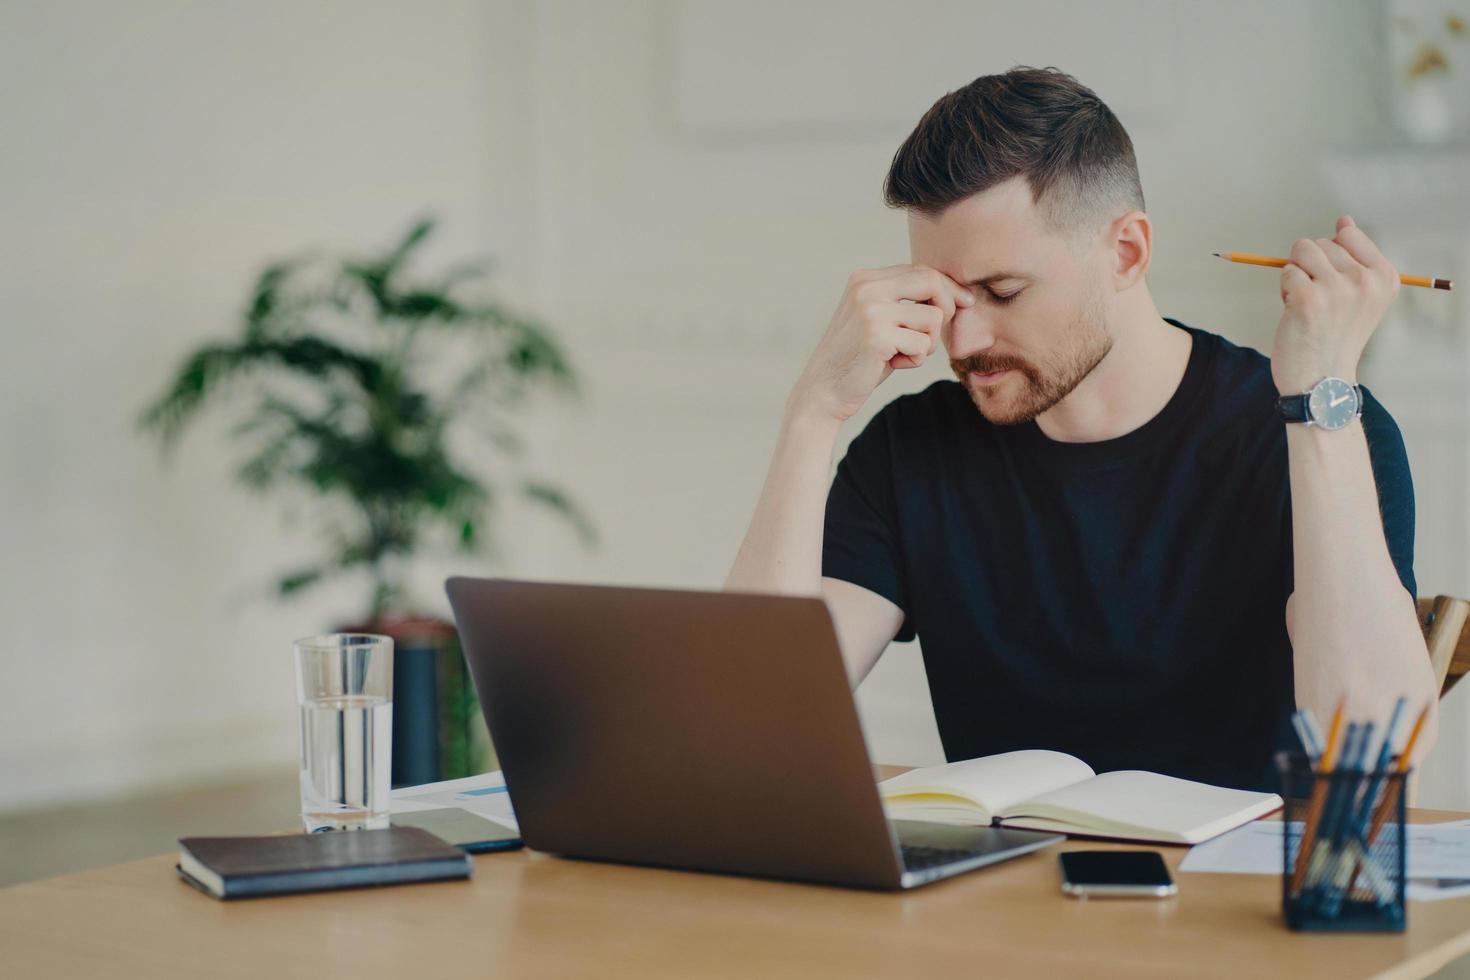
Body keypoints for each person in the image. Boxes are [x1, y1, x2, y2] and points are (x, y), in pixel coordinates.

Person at [723, 66, 1439, 792]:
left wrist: (1319, 399)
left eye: (1002, 291)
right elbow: (746, 722)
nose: (962, 342)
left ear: (1126, 252)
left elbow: (1371, 748)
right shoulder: (911, 451)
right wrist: (815, 411)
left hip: (1238, 898)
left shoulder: (1324, 430)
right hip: (993, 900)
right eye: (940, 297)